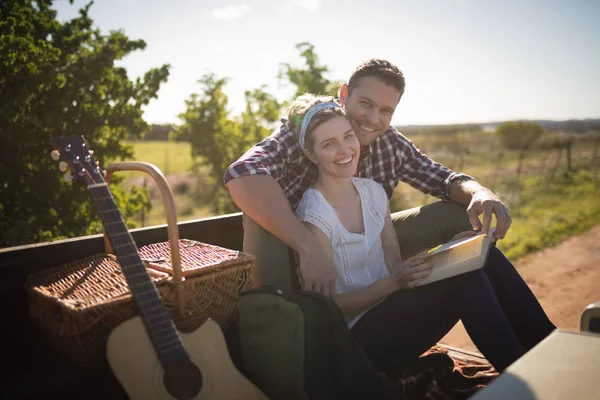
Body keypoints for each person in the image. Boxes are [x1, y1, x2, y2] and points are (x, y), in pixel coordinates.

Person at [288, 94, 555, 373]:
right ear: (310, 154)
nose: (345, 149)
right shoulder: (313, 213)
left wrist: (447, 255)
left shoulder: (372, 192)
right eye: (329, 144)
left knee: (477, 259)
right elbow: (328, 307)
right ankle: (525, 380)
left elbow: (393, 266)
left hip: (391, 312)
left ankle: (551, 348)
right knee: (465, 281)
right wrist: (395, 281)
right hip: (354, 344)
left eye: (347, 136)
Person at [224, 58, 511, 293]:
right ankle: (281, 326)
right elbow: (243, 173)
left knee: (463, 216)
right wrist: (308, 247)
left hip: (363, 251)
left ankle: (538, 339)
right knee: (258, 216)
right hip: (298, 254)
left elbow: (442, 179)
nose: (374, 119)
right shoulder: (304, 130)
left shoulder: (390, 143)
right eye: (366, 104)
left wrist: (479, 192)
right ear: (344, 94)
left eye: (386, 110)